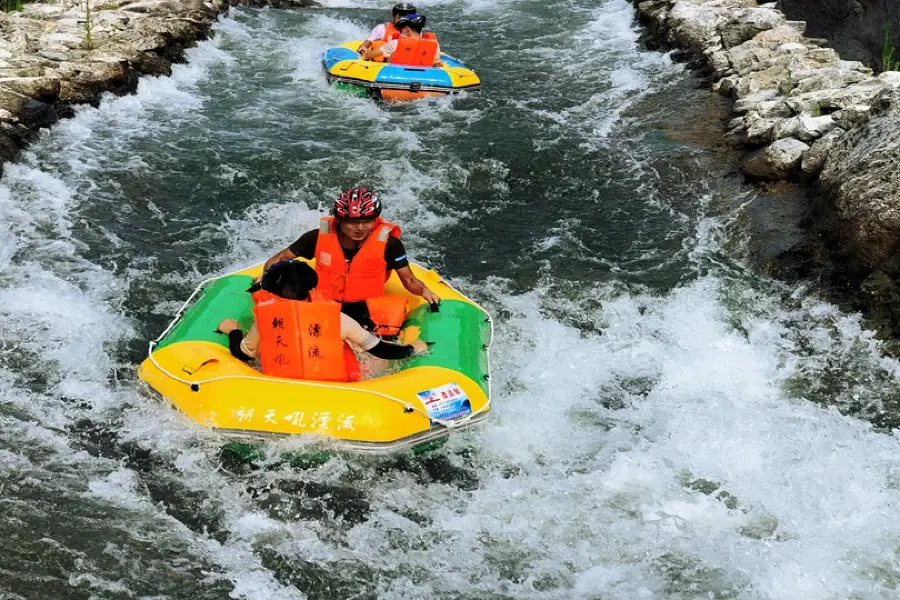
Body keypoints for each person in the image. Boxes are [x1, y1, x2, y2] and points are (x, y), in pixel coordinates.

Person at [261, 187, 440, 335]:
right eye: (353, 223)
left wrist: (425, 291)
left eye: (367, 221)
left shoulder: (390, 245)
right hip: (323, 306)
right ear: (339, 220)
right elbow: (281, 258)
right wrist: (267, 281)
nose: (360, 228)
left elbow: (408, 279)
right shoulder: (316, 238)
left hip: (367, 310)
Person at [216, 260, 428, 382]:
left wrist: (233, 331)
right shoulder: (337, 319)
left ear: (271, 291)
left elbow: (243, 353)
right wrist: (411, 349)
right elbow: (382, 351)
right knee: (364, 353)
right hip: (338, 388)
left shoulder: (267, 319)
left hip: (282, 389)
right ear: (311, 289)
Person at [360, 13, 444, 67]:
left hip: (393, 79)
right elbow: (436, 64)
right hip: (424, 80)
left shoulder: (395, 44)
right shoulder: (435, 45)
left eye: (402, 29)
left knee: (387, 58)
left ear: (407, 30)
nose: (400, 31)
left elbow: (368, 55)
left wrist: (364, 51)